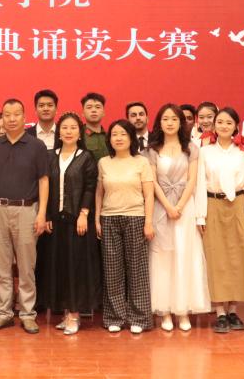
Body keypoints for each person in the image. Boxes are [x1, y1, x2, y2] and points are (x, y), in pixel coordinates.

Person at [0, 98, 49, 334]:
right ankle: (3, 313)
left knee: (26, 266)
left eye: (16, 114)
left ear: (24, 117)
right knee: (1, 267)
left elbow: (43, 180)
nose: (11, 119)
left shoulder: (36, 146)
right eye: (7, 114)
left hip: (27, 210)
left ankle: (28, 314)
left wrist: (42, 213)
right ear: (1, 117)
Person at [196, 107, 244, 333]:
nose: (223, 126)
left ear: (235, 127)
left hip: (238, 206)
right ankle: (220, 313)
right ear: (214, 125)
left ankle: (233, 310)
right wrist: (200, 215)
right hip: (213, 204)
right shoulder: (205, 152)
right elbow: (200, 184)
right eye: (220, 122)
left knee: (238, 257)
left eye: (228, 122)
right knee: (216, 258)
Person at [146, 104, 209, 332]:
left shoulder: (191, 148)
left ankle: (182, 310)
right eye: (165, 119)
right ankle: (164, 311)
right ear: (159, 123)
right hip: (161, 207)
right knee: (163, 257)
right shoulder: (152, 150)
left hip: (185, 209)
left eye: (174, 119)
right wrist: (168, 206)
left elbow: (193, 180)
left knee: (184, 254)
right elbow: (152, 181)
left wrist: (180, 206)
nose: (170, 123)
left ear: (181, 122)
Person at [36, 112, 100, 335]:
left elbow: (90, 187)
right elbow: (45, 188)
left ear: (79, 132)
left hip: (77, 221)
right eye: (64, 128)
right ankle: (65, 312)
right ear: (59, 132)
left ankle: (75, 314)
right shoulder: (49, 156)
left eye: (73, 127)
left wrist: (84, 213)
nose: (69, 131)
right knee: (59, 267)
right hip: (55, 222)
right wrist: (47, 216)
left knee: (76, 268)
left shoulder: (86, 157)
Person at [96, 119, 155, 334]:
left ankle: (139, 318)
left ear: (131, 138)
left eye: (123, 134)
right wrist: (97, 219)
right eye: (114, 134)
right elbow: (99, 193)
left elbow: (149, 195)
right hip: (109, 218)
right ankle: (115, 317)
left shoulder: (141, 162)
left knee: (137, 270)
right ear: (109, 139)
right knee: (112, 270)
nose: (118, 138)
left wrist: (148, 222)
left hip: (136, 218)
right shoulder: (104, 162)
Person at [81, 92, 110, 160]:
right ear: (83, 113)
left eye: (98, 107)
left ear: (103, 113)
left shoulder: (110, 136)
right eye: (89, 107)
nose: (94, 110)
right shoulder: (78, 136)